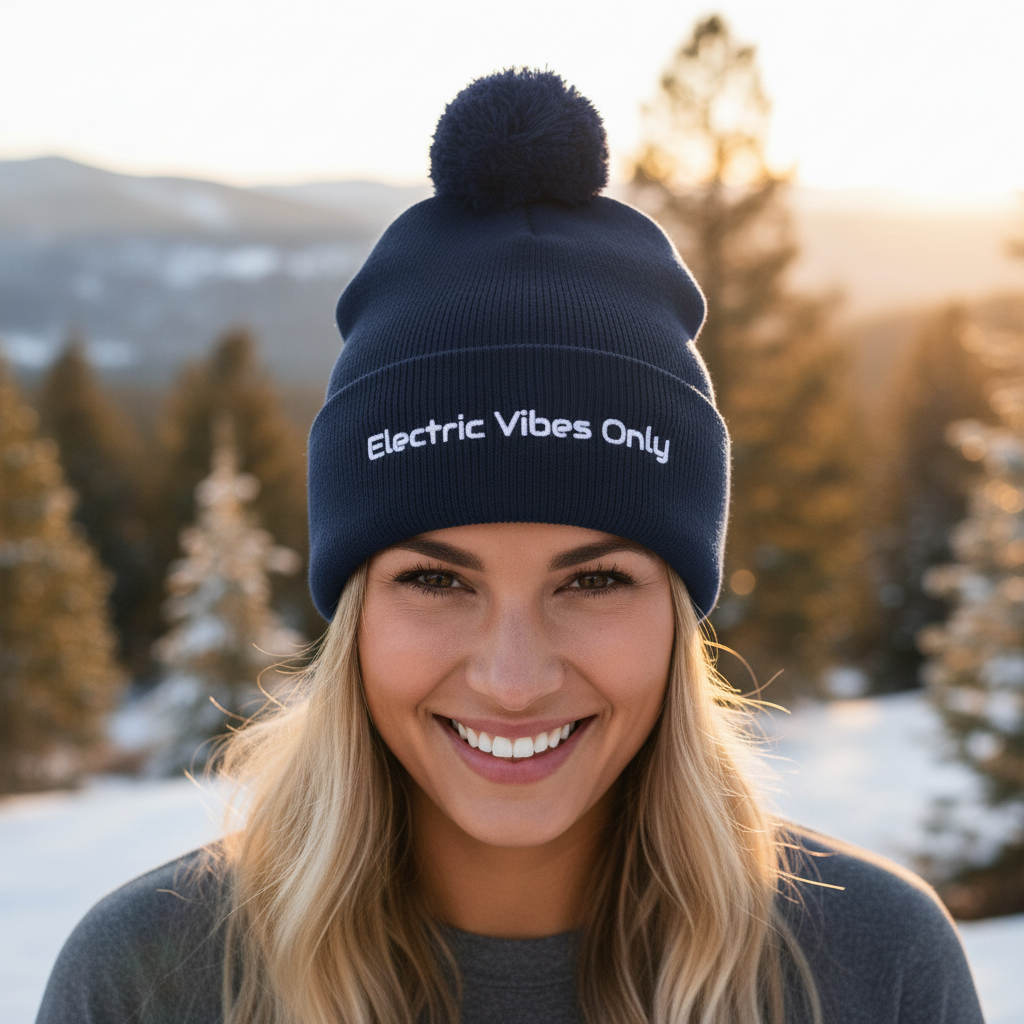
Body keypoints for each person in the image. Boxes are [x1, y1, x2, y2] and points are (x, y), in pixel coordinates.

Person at [36, 69, 983, 1024]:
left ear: (678, 614)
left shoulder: (869, 967)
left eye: (599, 579)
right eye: (438, 579)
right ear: (356, 612)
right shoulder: (151, 982)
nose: (515, 679)